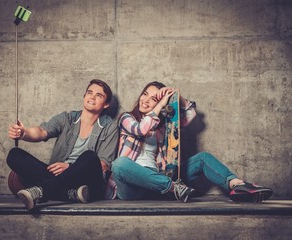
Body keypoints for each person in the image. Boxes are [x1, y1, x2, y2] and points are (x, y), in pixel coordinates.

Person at [111, 81, 273, 203]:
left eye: (153, 98)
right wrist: (160, 103)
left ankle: (237, 186)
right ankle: (173, 188)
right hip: (133, 190)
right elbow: (141, 130)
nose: (145, 100)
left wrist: (176, 96)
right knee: (119, 164)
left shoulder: (164, 127)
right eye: (145, 94)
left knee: (203, 158)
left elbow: (189, 115)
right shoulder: (126, 118)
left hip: (157, 183)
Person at [7, 79, 119, 210]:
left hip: (88, 182)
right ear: (84, 96)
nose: (92, 97)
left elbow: (103, 164)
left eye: (99, 96)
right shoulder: (67, 118)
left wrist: (70, 167)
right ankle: (69, 194)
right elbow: (42, 131)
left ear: (106, 104)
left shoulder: (110, 126)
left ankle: (41, 191)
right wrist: (24, 133)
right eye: (89, 92)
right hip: (58, 177)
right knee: (14, 155)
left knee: (90, 156)